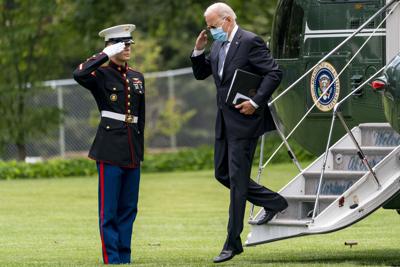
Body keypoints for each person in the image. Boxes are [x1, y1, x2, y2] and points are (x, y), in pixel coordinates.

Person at [190, 3, 288, 263]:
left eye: (213, 26)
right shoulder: (218, 46)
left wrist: (256, 102)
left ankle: (232, 242)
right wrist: (199, 49)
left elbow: (274, 72)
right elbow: (202, 74)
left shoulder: (250, 41)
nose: (211, 32)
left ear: (228, 20)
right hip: (224, 122)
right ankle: (275, 202)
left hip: (246, 123)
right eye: (209, 28)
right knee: (222, 174)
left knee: (237, 181)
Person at [73, 24, 145, 265]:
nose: (127, 49)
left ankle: (125, 256)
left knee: (129, 208)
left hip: (132, 149)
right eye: (122, 45)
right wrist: (104, 55)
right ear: (112, 46)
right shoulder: (100, 74)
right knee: (110, 210)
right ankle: (112, 258)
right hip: (109, 148)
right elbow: (79, 74)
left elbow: (140, 117)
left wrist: (140, 149)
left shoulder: (137, 77)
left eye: (129, 45)